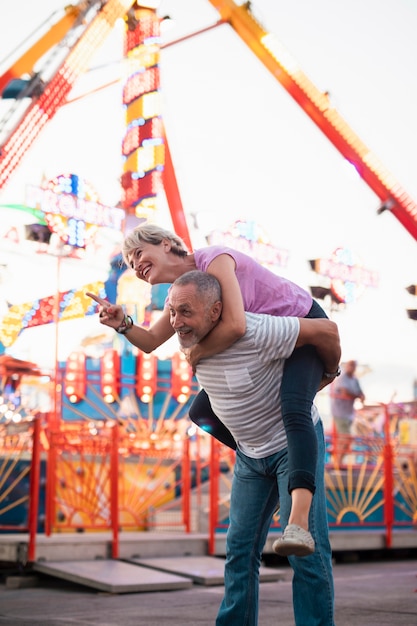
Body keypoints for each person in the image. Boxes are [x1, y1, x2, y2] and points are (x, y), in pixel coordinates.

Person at [87, 223, 341, 555]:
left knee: (293, 407)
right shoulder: (187, 292)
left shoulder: (215, 260)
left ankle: (298, 520)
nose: (135, 266)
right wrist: (122, 323)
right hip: (268, 343)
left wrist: (197, 353)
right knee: (202, 412)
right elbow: (150, 341)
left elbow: (235, 325)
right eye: (130, 264)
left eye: (138, 254)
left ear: (166, 244)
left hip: (301, 327)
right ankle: (264, 462)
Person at [168, 270, 339, 626]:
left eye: (185, 311)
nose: (175, 321)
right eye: (172, 312)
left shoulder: (256, 330)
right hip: (251, 458)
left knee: (306, 553)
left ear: (216, 311)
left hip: (292, 446)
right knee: (239, 551)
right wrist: (124, 323)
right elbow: (202, 408)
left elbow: (324, 331)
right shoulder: (193, 346)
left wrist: (328, 373)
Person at [330, 359, 365, 465]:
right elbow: (346, 393)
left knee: (345, 438)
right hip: (340, 412)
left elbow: (361, 394)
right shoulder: (342, 378)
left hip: (348, 413)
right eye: (350, 365)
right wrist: (357, 396)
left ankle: (337, 461)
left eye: (353, 366)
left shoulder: (354, 379)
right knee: (346, 437)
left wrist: (359, 396)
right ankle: (337, 462)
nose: (352, 368)